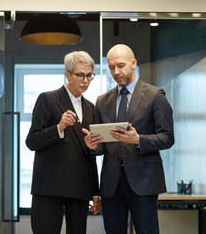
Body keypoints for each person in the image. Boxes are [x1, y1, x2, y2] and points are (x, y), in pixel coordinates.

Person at [82, 44, 174, 234]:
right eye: (111, 67)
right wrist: (93, 146)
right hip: (110, 183)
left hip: (144, 181)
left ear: (133, 63)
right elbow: (101, 147)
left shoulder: (155, 96)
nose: (116, 72)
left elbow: (167, 137)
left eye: (121, 65)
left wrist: (138, 139)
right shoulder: (102, 101)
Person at [26, 51, 101, 234]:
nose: (85, 80)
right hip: (50, 187)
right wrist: (58, 128)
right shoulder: (48, 99)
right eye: (80, 75)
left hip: (79, 186)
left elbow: (89, 153)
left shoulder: (90, 107)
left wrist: (95, 191)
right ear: (67, 74)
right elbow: (32, 141)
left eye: (89, 75)